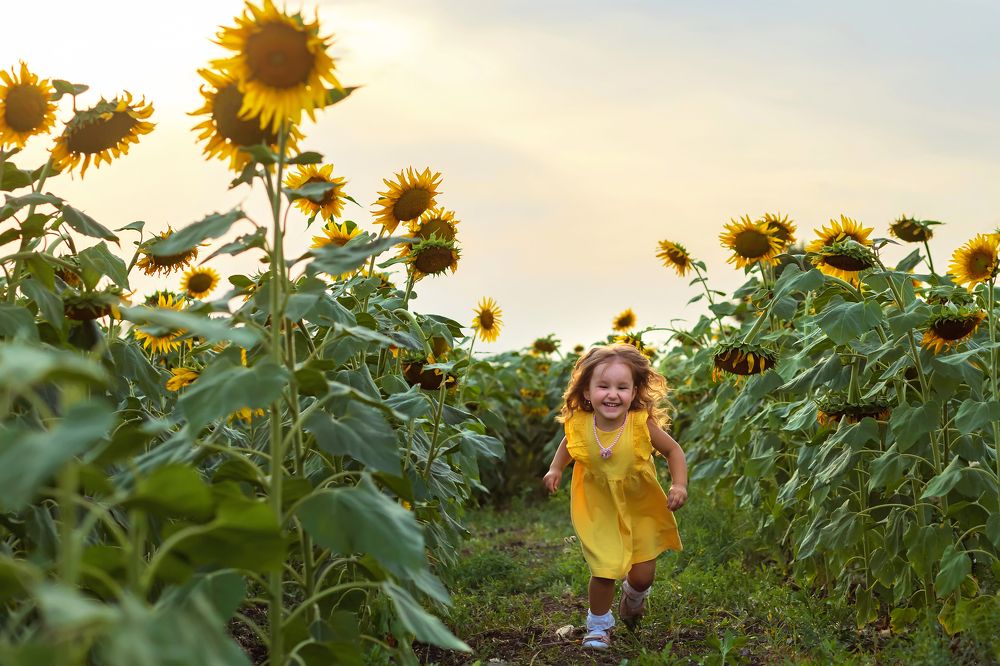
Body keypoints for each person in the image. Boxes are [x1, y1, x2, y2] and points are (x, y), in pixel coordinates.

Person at [542, 343, 688, 650]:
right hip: (600, 507)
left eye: (622, 387)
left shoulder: (640, 424)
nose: (613, 394)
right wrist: (556, 469)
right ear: (586, 392)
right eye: (603, 386)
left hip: (641, 506)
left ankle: (633, 598)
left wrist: (679, 485)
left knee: (643, 575)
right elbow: (569, 445)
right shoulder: (580, 424)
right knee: (604, 569)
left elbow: (673, 450)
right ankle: (598, 627)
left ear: (634, 393)